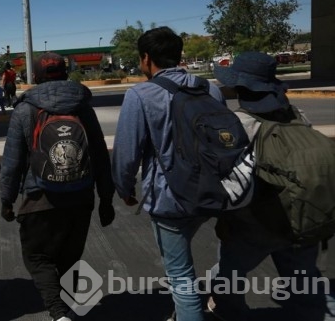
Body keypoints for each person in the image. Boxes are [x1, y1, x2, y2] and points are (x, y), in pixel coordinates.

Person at [111, 26, 225, 321]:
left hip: (169, 198)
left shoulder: (140, 94)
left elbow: (127, 152)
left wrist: (124, 188)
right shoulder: (208, 87)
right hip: (210, 192)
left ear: (146, 58)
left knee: (181, 277)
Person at [209, 51, 333, 321]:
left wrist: (223, 220)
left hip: (257, 225)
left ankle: (231, 314)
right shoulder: (296, 114)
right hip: (304, 217)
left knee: (226, 278)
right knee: (307, 287)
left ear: (240, 87)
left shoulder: (241, 124)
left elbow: (232, 184)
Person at [0, 52, 115, 321]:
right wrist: (106, 199)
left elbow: (12, 161)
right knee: (70, 258)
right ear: (65, 73)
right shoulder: (82, 107)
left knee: (38, 258)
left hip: (39, 197)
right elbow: (99, 154)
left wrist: (6, 200)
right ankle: (65, 309)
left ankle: (58, 312)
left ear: (36, 77)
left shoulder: (25, 109)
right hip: (81, 196)